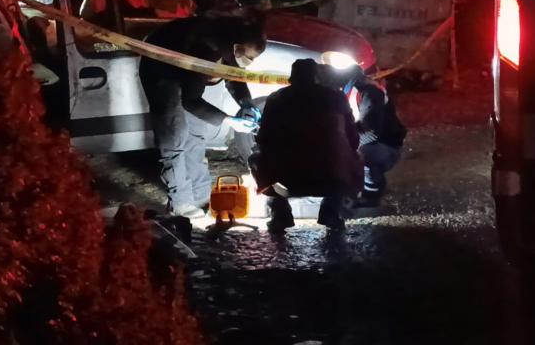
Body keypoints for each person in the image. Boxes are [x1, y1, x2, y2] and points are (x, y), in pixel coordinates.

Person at [139, 15, 266, 218]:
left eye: (253, 59)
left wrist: (246, 102)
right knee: (174, 136)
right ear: (236, 47)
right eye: (247, 56)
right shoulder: (207, 46)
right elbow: (191, 101)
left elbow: (233, 74)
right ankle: (180, 203)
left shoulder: (230, 43)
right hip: (162, 71)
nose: (249, 62)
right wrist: (229, 120)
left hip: (187, 70)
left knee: (196, 132)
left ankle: (201, 197)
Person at [250, 59, 362, 232]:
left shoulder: (276, 98)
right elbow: (353, 138)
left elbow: (263, 138)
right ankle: (331, 211)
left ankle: (280, 214)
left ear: (292, 78)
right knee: (356, 156)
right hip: (332, 179)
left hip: (287, 180)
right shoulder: (336, 97)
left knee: (255, 158)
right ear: (317, 78)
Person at [343, 65, 407, 204]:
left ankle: (372, 192)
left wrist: (343, 144)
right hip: (371, 141)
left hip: (386, 146)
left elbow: (371, 135)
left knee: (363, 151)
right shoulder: (347, 91)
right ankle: (352, 185)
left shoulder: (369, 93)